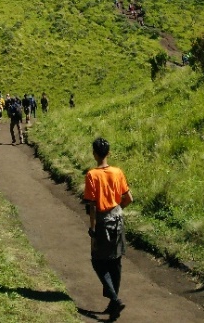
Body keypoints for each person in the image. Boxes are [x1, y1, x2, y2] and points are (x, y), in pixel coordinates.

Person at [83, 137, 133, 321]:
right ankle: (113, 303)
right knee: (116, 261)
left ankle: (114, 298)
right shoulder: (117, 172)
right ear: (109, 153)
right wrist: (117, 210)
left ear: (94, 154)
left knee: (97, 261)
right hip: (117, 217)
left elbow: (93, 206)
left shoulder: (92, 175)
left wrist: (92, 228)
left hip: (103, 220)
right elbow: (128, 198)